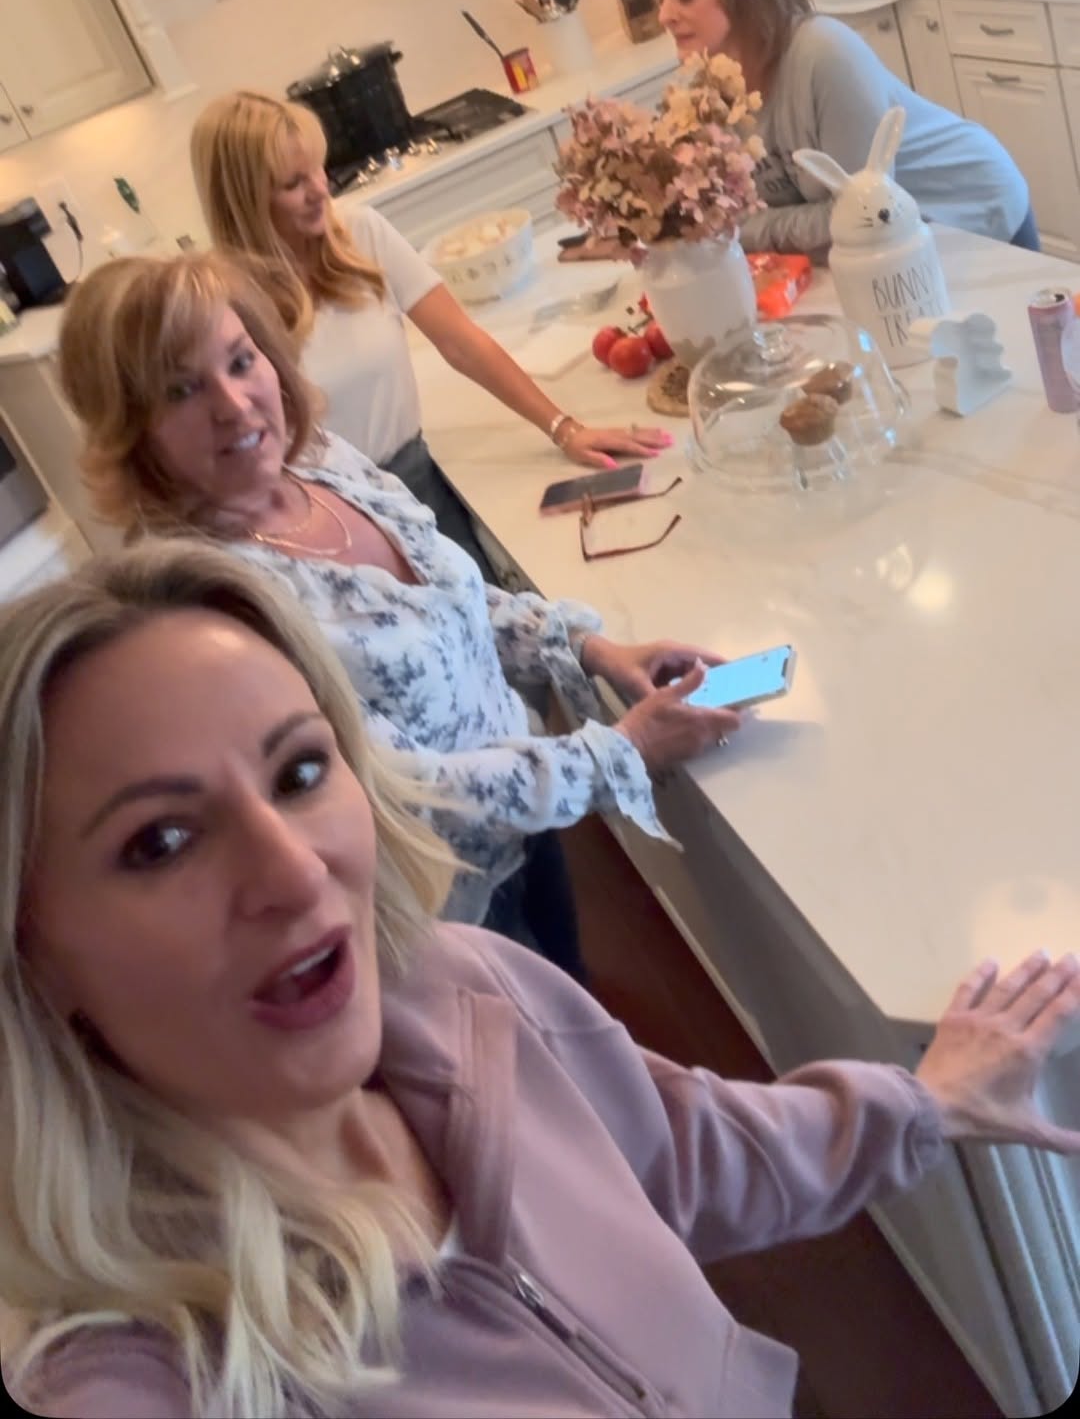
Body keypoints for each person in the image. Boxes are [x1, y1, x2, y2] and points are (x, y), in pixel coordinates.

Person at [4, 539, 1079, 1419]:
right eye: (161, 842)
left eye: (299, 771)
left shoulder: (464, 986)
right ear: (32, 949)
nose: (293, 872)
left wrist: (923, 1104)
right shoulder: (134, 1373)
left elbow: (675, 1152)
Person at [55, 250, 741, 960]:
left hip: (530, 817)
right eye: (179, 391)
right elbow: (404, 793)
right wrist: (622, 752)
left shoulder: (321, 462)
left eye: (240, 360)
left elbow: (448, 600)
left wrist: (588, 646)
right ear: (131, 432)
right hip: (449, 908)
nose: (233, 405)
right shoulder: (217, 609)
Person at [190, 88, 673, 570]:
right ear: (245, 200)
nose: (321, 189)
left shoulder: (360, 233)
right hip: (328, 519)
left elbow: (460, 341)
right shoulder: (227, 305)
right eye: (293, 183)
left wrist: (565, 429)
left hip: (416, 479)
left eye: (318, 168)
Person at [649, 0, 1038, 256]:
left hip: (971, 214)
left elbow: (862, 214)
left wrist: (739, 229)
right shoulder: (705, 91)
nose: (665, 15)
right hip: (884, 250)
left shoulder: (824, 54)